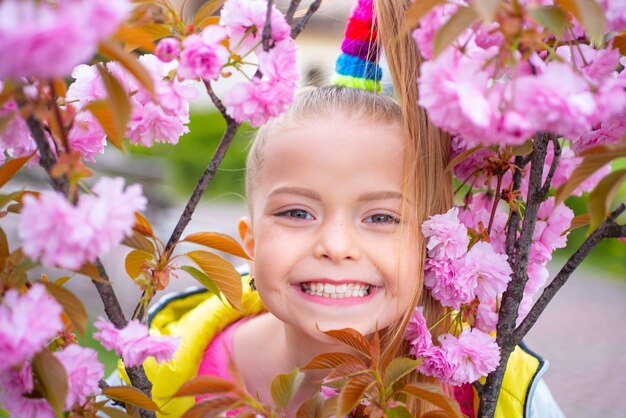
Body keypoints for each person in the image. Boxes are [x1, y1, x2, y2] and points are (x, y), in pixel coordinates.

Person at [117, 2, 565, 417]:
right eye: (296, 213)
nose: (335, 246)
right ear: (250, 242)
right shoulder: (162, 369)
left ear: (433, 248)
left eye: (382, 217)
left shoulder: (500, 394)